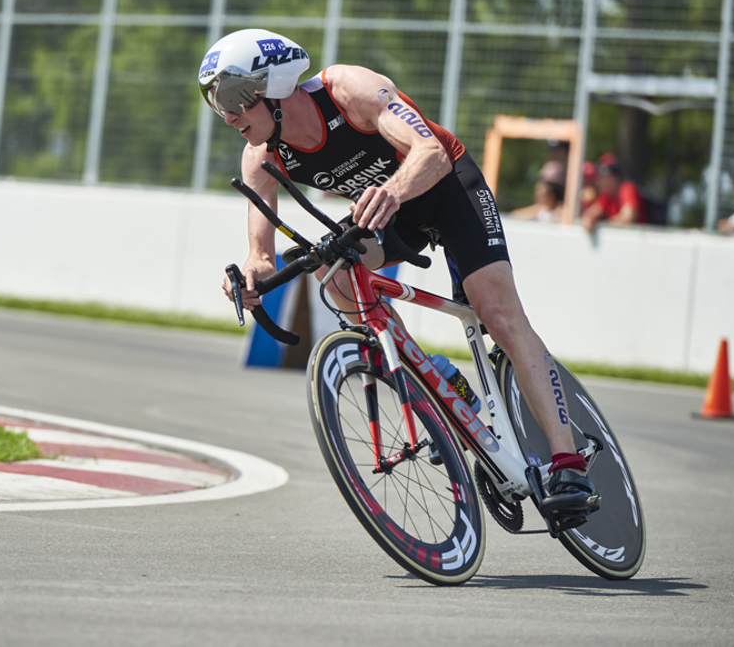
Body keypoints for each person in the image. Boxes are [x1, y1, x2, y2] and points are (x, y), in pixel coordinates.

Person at [198, 29, 599, 520]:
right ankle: (433, 375)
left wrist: (392, 190)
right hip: (387, 210)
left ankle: (568, 461)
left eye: (235, 97)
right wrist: (247, 278)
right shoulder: (261, 156)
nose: (228, 114)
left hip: (448, 188)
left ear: (276, 85)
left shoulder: (350, 90)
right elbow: (261, 255)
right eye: (216, 102)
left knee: (496, 312)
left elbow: (428, 153)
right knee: (334, 268)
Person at [579, 159, 646, 232]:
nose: (599, 181)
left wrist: (604, 224)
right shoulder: (607, 194)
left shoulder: (627, 188)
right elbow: (593, 212)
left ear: (613, 178)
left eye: (603, 177)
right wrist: (589, 218)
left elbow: (628, 217)